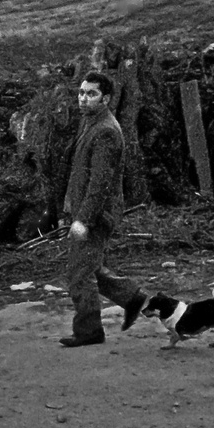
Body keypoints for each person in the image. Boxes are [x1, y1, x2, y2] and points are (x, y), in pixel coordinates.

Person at [59, 71, 145, 347]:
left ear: (106, 99)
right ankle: (132, 297)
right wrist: (69, 212)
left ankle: (89, 332)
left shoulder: (106, 131)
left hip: (97, 214)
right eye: (82, 93)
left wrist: (84, 219)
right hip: (87, 211)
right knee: (89, 267)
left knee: (79, 273)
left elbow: (100, 182)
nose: (83, 99)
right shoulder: (91, 123)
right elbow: (80, 175)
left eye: (91, 94)